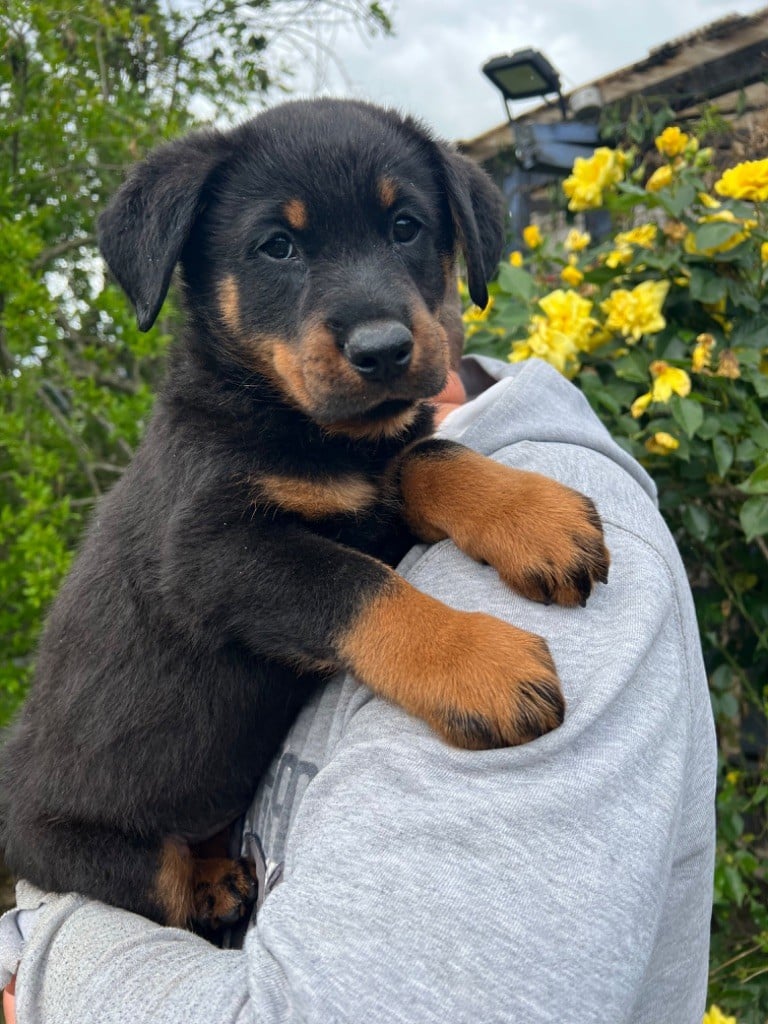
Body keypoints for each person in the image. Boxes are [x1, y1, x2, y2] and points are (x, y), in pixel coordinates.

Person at [0, 353, 717, 1024]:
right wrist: (42, 947)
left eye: (407, 247)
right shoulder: (243, 447)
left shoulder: (555, 518)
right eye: (280, 264)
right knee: (162, 880)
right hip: (98, 825)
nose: (374, 323)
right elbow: (261, 552)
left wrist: (37, 966)